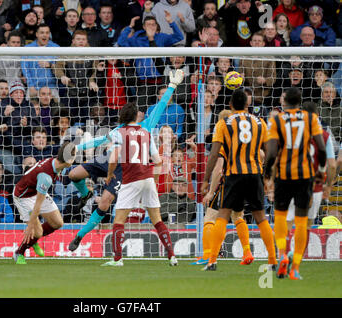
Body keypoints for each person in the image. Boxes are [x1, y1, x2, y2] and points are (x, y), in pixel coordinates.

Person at [67, 70, 185, 253]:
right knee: (73, 174)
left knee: (105, 202)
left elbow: (161, 105)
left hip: (123, 169)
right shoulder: (119, 129)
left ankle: (79, 236)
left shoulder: (146, 126)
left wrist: (172, 86)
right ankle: (85, 195)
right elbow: (99, 141)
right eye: (138, 110)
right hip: (107, 160)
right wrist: (78, 148)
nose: (142, 112)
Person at [201, 89, 277, 271]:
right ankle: (273, 260)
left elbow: (213, 155)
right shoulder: (260, 122)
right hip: (254, 175)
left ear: (230, 105)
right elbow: (271, 152)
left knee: (223, 215)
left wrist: (205, 180)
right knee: (260, 218)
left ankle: (212, 261)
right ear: (247, 104)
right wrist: (267, 176)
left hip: (233, 175)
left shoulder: (223, 124)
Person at [101, 102, 177, 267]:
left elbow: (114, 158)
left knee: (119, 221)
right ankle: (172, 256)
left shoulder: (119, 132)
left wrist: (109, 174)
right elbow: (157, 161)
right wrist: (153, 180)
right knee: (157, 220)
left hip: (131, 180)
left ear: (122, 116)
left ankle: (117, 259)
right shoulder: (146, 133)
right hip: (148, 178)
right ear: (136, 116)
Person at [264, 87, 327, 280]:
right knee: (301, 220)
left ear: (284, 102)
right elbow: (322, 149)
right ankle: (295, 268)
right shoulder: (310, 119)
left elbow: (272, 152)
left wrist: (268, 174)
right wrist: (321, 172)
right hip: (305, 175)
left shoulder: (276, 120)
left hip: (284, 174)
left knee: (281, 217)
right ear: (299, 102)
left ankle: (282, 254)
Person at [192, 109, 254, 266]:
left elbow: (218, 169)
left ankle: (207, 255)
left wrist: (211, 192)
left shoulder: (222, 142)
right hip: (245, 180)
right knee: (238, 217)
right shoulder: (241, 142)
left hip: (227, 183)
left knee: (210, 218)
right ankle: (247, 252)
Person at [285, 101, 337, 256]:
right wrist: (328, 185)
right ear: (318, 116)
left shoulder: (292, 133)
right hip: (315, 187)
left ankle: (284, 254)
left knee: (288, 221)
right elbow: (332, 165)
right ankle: (297, 261)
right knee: (306, 224)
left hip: (293, 182)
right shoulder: (324, 135)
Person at [13, 142, 77, 264]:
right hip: (23, 197)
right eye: (73, 158)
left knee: (57, 223)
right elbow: (38, 204)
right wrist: (31, 225)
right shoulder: (46, 177)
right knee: (36, 231)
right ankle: (19, 252)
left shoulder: (56, 162)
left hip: (37, 190)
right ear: (68, 161)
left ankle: (33, 239)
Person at [117, 15, 183, 112]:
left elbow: (179, 37)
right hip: (144, 83)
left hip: (160, 82)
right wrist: (130, 26)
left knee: (161, 110)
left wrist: (171, 22)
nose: (151, 27)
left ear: (157, 26)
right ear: (144, 27)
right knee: (140, 111)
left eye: (153, 25)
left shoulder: (162, 37)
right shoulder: (137, 39)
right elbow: (121, 42)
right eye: (148, 25)